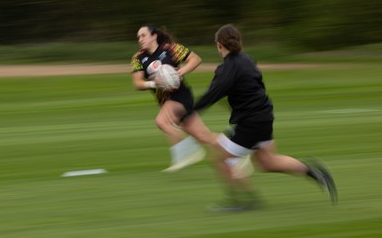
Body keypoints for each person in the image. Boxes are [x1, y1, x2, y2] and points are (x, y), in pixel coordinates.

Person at [182, 24, 338, 212]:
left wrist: (189, 112)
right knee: (268, 162)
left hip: (250, 123)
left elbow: (211, 95)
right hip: (264, 117)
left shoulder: (226, 69)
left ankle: (242, 201)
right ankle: (315, 172)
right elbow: (248, 89)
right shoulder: (248, 59)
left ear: (218, 45)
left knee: (220, 158)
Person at [130, 24, 213, 172]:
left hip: (181, 96)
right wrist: (153, 83)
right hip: (166, 101)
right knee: (203, 136)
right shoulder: (138, 58)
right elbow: (137, 83)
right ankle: (237, 151)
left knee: (161, 121)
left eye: (143, 35)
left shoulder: (170, 49)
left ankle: (189, 152)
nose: (140, 39)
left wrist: (179, 73)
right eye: (138, 37)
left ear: (154, 35)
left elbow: (196, 59)